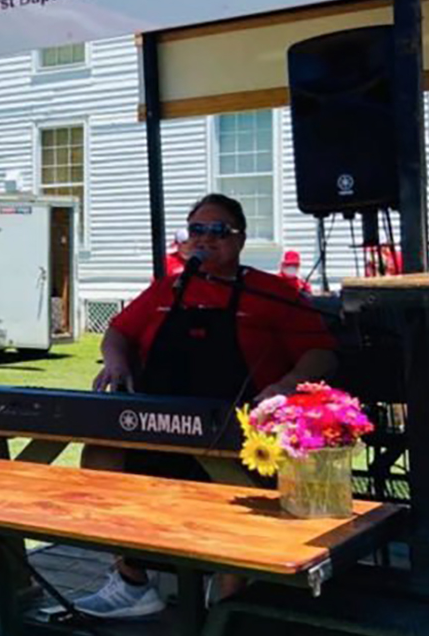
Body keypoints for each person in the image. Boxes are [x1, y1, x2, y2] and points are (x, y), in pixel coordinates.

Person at [74, 194, 338, 619]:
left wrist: (285, 386)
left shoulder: (271, 292)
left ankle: (230, 594)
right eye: (196, 229)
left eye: (218, 231)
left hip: (239, 429)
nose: (205, 239)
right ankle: (132, 579)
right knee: (101, 457)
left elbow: (321, 353)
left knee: (235, 481)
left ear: (240, 239)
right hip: (154, 423)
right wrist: (117, 361)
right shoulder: (167, 288)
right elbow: (118, 333)